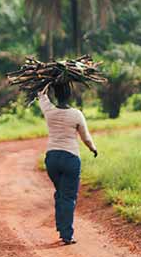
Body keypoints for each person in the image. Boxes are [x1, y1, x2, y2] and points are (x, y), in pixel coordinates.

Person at [38, 82, 98, 245]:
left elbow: (41, 95)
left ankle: (61, 227)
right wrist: (93, 148)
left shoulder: (49, 111)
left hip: (52, 159)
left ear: (56, 95)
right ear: (70, 95)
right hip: (70, 158)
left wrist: (47, 83)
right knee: (68, 196)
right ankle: (66, 234)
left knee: (60, 193)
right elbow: (85, 137)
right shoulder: (76, 114)